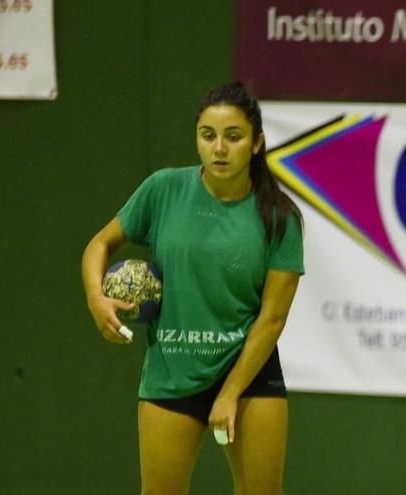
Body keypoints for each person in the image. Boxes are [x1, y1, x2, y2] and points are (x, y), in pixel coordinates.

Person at [81, 80, 304, 495]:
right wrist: (96, 297)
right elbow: (99, 244)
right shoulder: (163, 190)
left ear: (256, 144)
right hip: (172, 371)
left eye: (233, 137)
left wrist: (230, 393)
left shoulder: (280, 218)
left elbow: (272, 319)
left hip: (248, 374)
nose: (220, 147)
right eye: (208, 136)